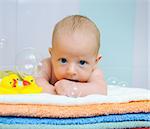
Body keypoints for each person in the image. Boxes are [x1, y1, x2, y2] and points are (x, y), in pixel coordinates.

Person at [36, 15, 107, 97]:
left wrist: (74, 89)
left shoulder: (94, 72)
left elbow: (101, 90)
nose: (71, 71)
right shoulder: (47, 65)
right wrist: (55, 92)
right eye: (63, 60)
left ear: (96, 61)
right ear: (52, 55)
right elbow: (37, 82)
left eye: (82, 62)